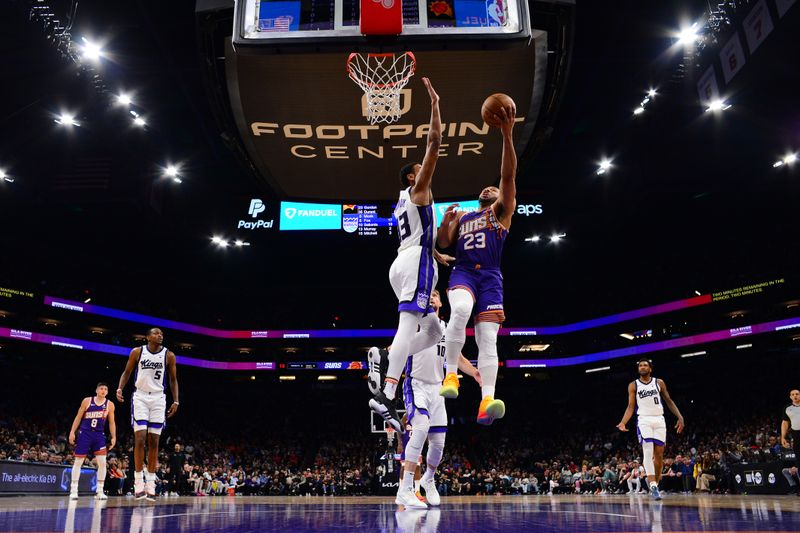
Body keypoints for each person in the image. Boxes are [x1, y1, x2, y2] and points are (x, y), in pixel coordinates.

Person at [369, 77, 451, 433]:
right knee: (407, 325)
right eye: (419, 169)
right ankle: (387, 383)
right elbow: (434, 143)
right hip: (416, 262)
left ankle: (389, 359)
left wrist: (438, 255)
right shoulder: (418, 190)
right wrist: (434, 105)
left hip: (408, 259)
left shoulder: (404, 203)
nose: (426, 169)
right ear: (411, 177)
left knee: (433, 332)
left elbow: (420, 234)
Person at [436, 102, 517, 425]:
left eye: (494, 188)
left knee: (488, 340)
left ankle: (487, 401)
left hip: (491, 278)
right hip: (464, 272)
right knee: (458, 311)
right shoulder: (466, 215)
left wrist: (507, 136)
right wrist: (445, 222)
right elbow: (443, 243)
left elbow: (508, 174)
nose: (490, 187)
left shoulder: (501, 213)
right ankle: (451, 376)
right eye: (487, 188)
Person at [394, 289, 481, 509]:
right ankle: (405, 490)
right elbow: (398, 346)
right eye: (428, 295)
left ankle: (429, 479)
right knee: (421, 427)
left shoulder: (446, 329)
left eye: (435, 296)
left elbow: (458, 358)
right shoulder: (414, 323)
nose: (432, 298)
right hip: (416, 384)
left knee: (439, 443)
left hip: (438, 388)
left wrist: (476, 373)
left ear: (441, 303)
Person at [116, 327, 180, 500]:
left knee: (154, 441)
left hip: (159, 398)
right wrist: (120, 388)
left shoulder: (169, 355)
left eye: (162, 334)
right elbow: (127, 372)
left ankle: (150, 483)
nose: (160, 335)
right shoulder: (137, 352)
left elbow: (173, 379)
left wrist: (176, 401)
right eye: (156, 333)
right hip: (141, 397)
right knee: (140, 438)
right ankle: (138, 482)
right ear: (147, 337)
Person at [616, 358, 684, 500]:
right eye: (640, 365)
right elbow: (630, 406)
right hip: (644, 420)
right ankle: (653, 485)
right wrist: (623, 422)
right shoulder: (633, 385)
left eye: (645, 365)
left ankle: (655, 484)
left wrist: (680, 417)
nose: (642, 367)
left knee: (659, 455)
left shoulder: (659, 382)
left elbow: (669, 401)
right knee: (647, 451)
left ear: (650, 368)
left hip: (659, 419)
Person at [68, 382, 116, 500]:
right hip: (85, 433)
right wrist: (72, 432)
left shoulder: (110, 404)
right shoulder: (87, 401)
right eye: (101, 388)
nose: (103, 391)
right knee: (78, 461)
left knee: (103, 463)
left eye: (105, 389)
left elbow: (111, 422)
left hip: (99, 435)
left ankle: (99, 491)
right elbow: (78, 417)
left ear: (107, 392)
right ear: (96, 390)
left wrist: (114, 436)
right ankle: (74, 490)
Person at [781, 389, 800, 471]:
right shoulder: (787, 408)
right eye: (793, 394)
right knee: (798, 453)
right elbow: (785, 423)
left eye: (797, 394)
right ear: (790, 397)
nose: (795, 396)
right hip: (796, 433)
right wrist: (783, 437)